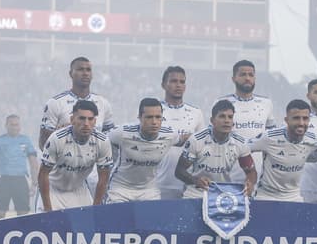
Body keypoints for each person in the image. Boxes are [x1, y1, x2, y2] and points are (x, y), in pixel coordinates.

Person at [38, 100, 113, 211]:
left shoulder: (102, 141)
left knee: (87, 227)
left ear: (95, 121)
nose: (86, 123)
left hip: (79, 191)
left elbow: (103, 178)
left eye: (90, 119)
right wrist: (48, 209)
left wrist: (96, 209)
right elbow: (43, 174)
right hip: (54, 190)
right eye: (81, 118)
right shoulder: (57, 138)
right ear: (72, 119)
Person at [176, 99, 256, 199]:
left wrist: (250, 183)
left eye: (230, 117)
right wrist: (196, 180)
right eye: (222, 116)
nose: (226, 120)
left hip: (223, 192)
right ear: (212, 121)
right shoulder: (197, 140)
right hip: (197, 191)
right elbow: (179, 171)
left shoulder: (240, 143)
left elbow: (251, 171)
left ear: (233, 122)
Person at [214, 59, 275, 184]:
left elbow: (271, 138)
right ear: (233, 78)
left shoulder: (266, 103)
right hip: (228, 176)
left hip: (258, 178)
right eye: (243, 74)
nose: (247, 78)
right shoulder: (221, 102)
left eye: (251, 75)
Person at [107, 98, 178, 203]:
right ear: (139, 117)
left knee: (153, 219)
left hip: (149, 190)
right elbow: (102, 141)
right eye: (149, 117)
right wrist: (111, 159)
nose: (154, 122)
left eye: (158, 117)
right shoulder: (122, 133)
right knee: (118, 219)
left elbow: (188, 140)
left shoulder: (170, 135)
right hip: (120, 189)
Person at [249, 99, 317, 202]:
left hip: (294, 197)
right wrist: (249, 172)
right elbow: (242, 148)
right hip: (266, 196)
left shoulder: (312, 140)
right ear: (286, 120)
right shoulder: (269, 137)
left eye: (305, 118)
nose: (301, 123)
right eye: (296, 118)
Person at [39, 56, 115, 149]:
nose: (85, 73)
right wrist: (62, 133)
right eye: (80, 69)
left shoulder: (103, 103)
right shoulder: (55, 103)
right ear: (71, 74)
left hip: (93, 162)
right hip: (64, 161)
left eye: (88, 70)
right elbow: (43, 144)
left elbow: (111, 141)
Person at [156, 66, 204, 200]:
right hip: (157, 183)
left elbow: (202, 148)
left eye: (182, 82)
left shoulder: (196, 113)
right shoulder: (153, 111)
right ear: (163, 85)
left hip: (187, 184)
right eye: (173, 81)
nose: (178, 85)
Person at [0, 114, 38, 220]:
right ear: (6, 125)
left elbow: (33, 163)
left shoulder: (26, 140)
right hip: (3, 180)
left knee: (23, 215)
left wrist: (34, 183)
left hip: (21, 180)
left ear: (20, 126)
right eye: (12, 125)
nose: (15, 127)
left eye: (17, 125)